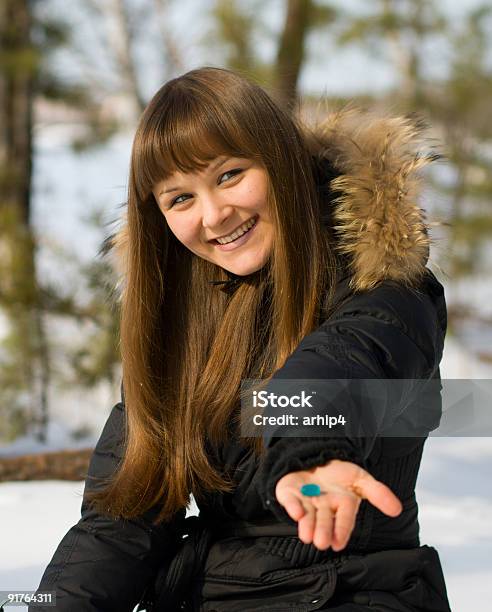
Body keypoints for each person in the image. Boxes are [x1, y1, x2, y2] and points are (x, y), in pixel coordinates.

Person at [30, 66, 452, 612]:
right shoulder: (189, 319)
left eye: (229, 175)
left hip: (352, 591)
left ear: (280, 162)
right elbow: (120, 523)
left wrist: (310, 456)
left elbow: (336, 368)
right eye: (180, 199)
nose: (214, 214)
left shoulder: (385, 289)